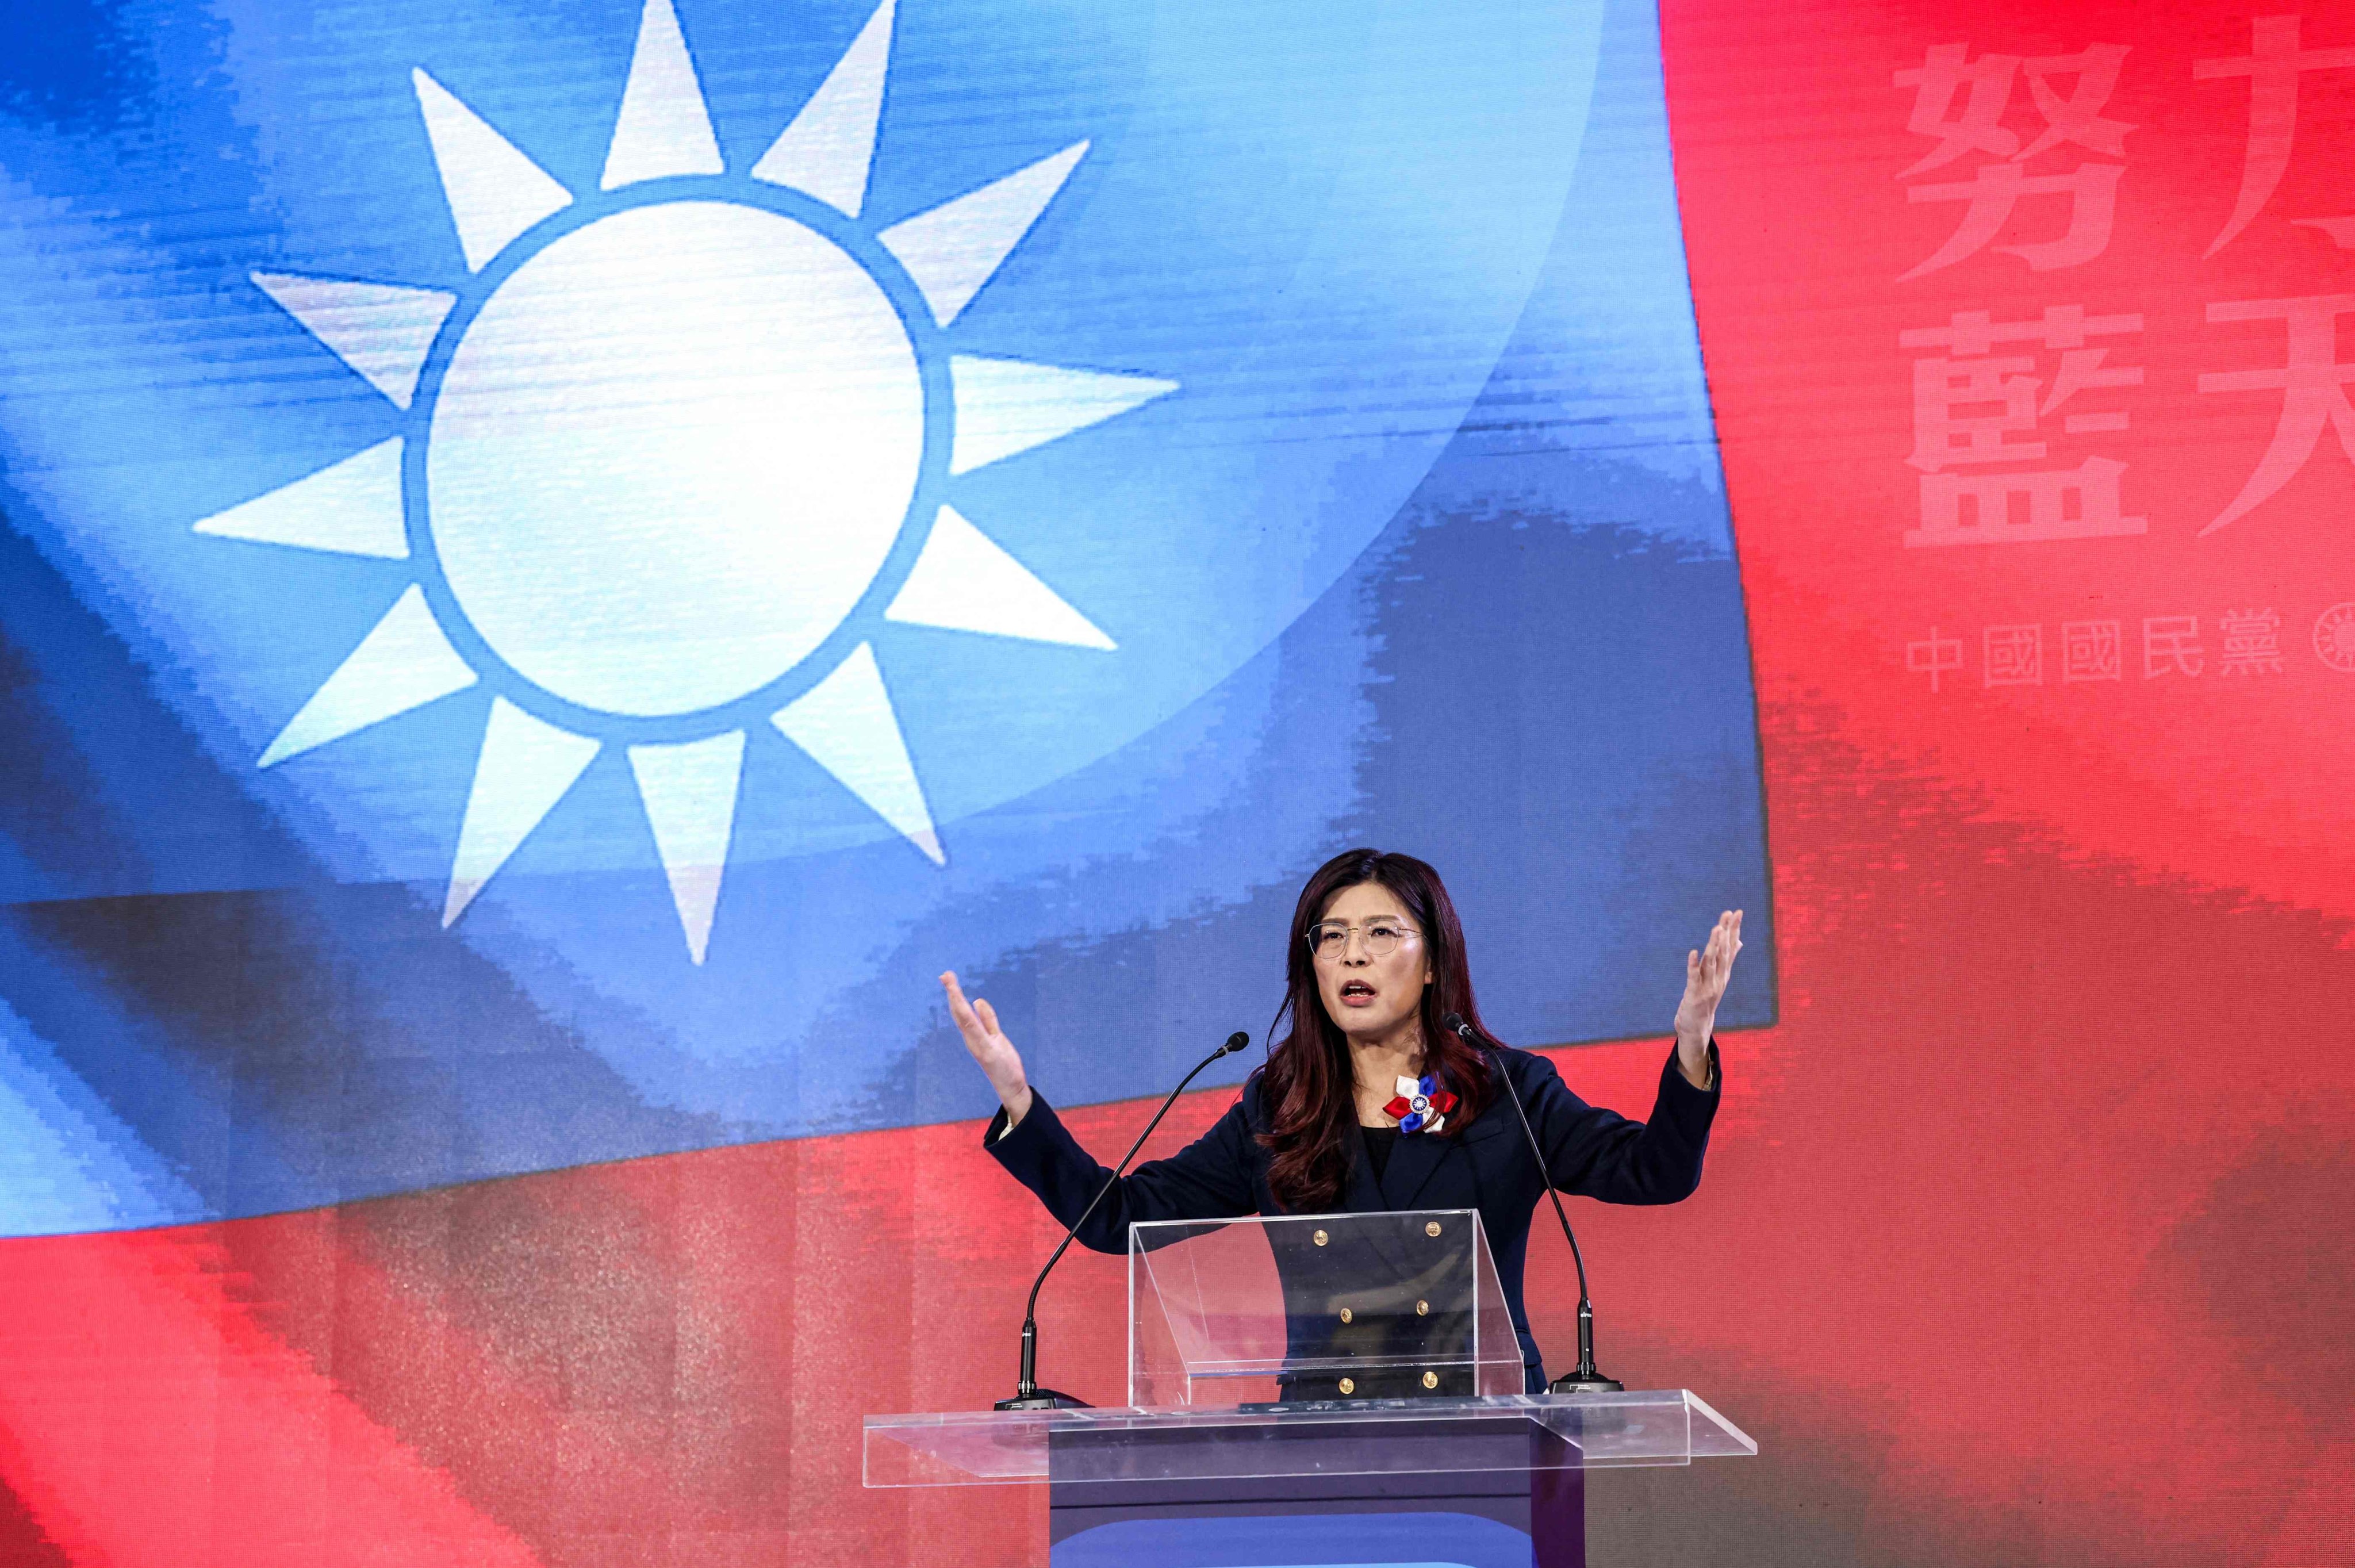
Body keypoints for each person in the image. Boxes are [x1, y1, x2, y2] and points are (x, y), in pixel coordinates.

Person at [941, 847, 1742, 1396]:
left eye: (1381, 934)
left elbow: (1656, 1173)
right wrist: (1020, 1102)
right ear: (1312, 966)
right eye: (1332, 939)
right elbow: (1115, 1218)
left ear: (1432, 963)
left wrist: (1693, 1051)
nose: (1353, 956)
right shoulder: (1279, 1108)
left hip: (1489, 1430)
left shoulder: (1510, 1096)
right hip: (1325, 1438)